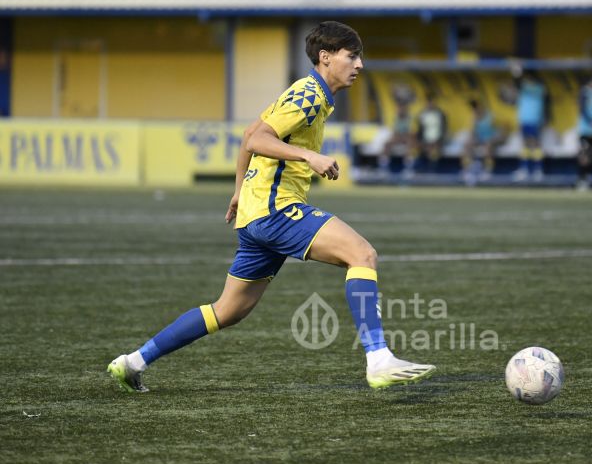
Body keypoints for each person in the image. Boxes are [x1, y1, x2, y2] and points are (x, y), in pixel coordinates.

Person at [107, 21, 435, 393]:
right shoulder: (309, 95)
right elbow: (258, 139)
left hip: (257, 214)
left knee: (228, 310)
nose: (359, 64)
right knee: (361, 254)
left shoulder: (309, 93)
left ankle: (133, 362)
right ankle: (378, 359)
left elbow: (249, 135)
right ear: (326, 58)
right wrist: (308, 156)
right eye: (352, 55)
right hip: (275, 210)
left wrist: (239, 192)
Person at [513, 73, 547, 181]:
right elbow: (517, 84)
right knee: (525, 144)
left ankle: (538, 169)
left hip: (534, 120)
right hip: (524, 120)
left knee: (535, 143)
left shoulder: (539, 88)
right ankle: (524, 169)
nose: (525, 81)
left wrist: (517, 74)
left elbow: (518, 83)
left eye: (527, 79)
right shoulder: (523, 88)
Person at [462, 99, 503, 183]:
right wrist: (471, 138)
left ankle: (488, 171)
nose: (475, 110)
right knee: (467, 144)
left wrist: (493, 138)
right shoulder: (474, 118)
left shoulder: (490, 116)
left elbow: (499, 130)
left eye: (476, 107)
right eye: (473, 108)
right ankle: (467, 170)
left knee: (488, 145)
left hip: (492, 139)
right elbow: (473, 133)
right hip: (481, 139)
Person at [414, 92, 447, 173]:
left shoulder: (440, 114)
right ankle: (417, 167)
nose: (430, 104)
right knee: (417, 145)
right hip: (425, 139)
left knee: (434, 148)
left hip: (438, 139)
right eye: (428, 102)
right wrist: (419, 140)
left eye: (431, 102)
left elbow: (444, 129)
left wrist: (440, 139)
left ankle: (433, 167)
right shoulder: (422, 114)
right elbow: (420, 130)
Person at [380, 101, 415, 175]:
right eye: (399, 109)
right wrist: (396, 137)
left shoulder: (409, 118)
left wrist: (403, 136)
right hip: (398, 137)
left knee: (409, 142)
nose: (400, 110)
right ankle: (384, 167)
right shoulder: (396, 118)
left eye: (402, 109)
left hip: (406, 137)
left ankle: (408, 168)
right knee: (387, 144)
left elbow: (410, 131)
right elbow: (394, 131)